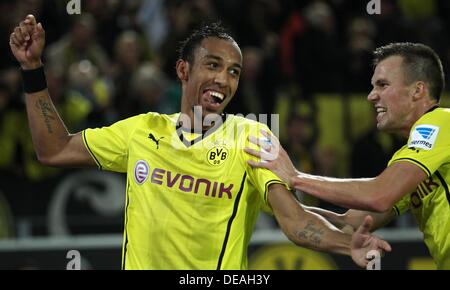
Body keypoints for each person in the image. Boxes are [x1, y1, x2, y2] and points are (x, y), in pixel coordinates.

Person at [10, 14, 390, 270]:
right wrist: (32, 70)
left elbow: (294, 221)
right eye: (213, 66)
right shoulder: (143, 130)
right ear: (182, 70)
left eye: (234, 72)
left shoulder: (252, 137)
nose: (224, 80)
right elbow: (54, 149)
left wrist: (346, 244)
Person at [245, 42, 450, 269]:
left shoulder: (442, 121)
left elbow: (379, 194)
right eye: (373, 86)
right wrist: (273, 200)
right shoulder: (409, 160)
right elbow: (351, 220)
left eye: (383, 85)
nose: (372, 96)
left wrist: (296, 177)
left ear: (418, 90)